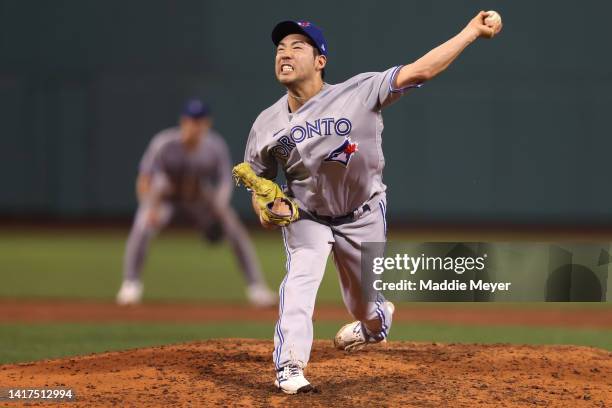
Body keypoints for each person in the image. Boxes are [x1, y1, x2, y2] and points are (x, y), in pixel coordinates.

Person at [242, 13, 502, 394]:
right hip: (307, 216)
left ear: (320, 60)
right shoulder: (265, 124)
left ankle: (375, 323)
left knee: (364, 307)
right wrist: (265, 210)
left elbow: (420, 72)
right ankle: (289, 367)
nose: (285, 53)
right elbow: (258, 183)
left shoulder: (358, 91)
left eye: (298, 46)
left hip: (362, 213)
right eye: (280, 48)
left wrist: (471, 32)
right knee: (300, 279)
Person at [117, 98, 277, 307]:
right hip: (166, 200)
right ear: (183, 121)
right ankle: (130, 284)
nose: (195, 125)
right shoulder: (164, 143)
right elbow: (145, 178)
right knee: (142, 224)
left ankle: (257, 288)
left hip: (198, 201)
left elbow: (224, 181)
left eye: (200, 120)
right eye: (192, 120)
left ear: (207, 123)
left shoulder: (214, 146)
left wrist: (219, 208)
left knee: (234, 227)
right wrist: (148, 207)